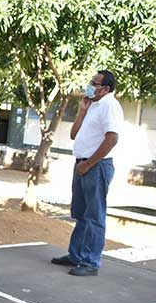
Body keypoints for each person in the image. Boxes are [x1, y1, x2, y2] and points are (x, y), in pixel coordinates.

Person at [52, 70, 123, 276]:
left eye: (95, 83)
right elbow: (74, 134)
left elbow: (112, 139)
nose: (90, 85)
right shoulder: (93, 105)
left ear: (106, 89)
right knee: (81, 214)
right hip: (82, 164)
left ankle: (91, 262)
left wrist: (89, 164)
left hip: (96, 167)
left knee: (94, 216)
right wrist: (82, 111)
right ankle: (76, 255)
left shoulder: (109, 105)